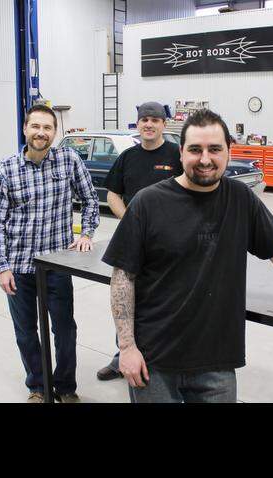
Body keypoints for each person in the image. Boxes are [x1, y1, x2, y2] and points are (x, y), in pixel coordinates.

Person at [102, 108, 273, 403]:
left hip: (217, 362)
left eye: (215, 149)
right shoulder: (148, 202)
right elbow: (123, 278)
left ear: (228, 152)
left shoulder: (240, 198)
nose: (205, 159)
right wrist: (127, 347)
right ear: (181, 153)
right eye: (195, 150)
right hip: (153, 360)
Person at [0, 103, 99, 403]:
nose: (41, 132)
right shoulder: (6, 169)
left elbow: (90, 199)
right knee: (26, 332)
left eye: (47, 127)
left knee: (65, 331)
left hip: (57, 265)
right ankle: (38, 387)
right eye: (35, 126)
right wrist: (1, 267)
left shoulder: (68, 160)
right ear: (25, 129)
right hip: (19, 267)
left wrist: (86, 234)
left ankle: (65, 387)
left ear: (55, 132)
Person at [96, 101, 182, 382]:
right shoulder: (128, 157)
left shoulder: (176, 154)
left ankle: (166, 361)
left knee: (167, 299)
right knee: (125, 297)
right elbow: (112, 195)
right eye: (144, 119)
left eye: (154, 120)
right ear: (138, 123)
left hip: (170, 242)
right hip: (134, 241)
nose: (148, 124)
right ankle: (122, 356)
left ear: (163, 124)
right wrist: (130, 222)